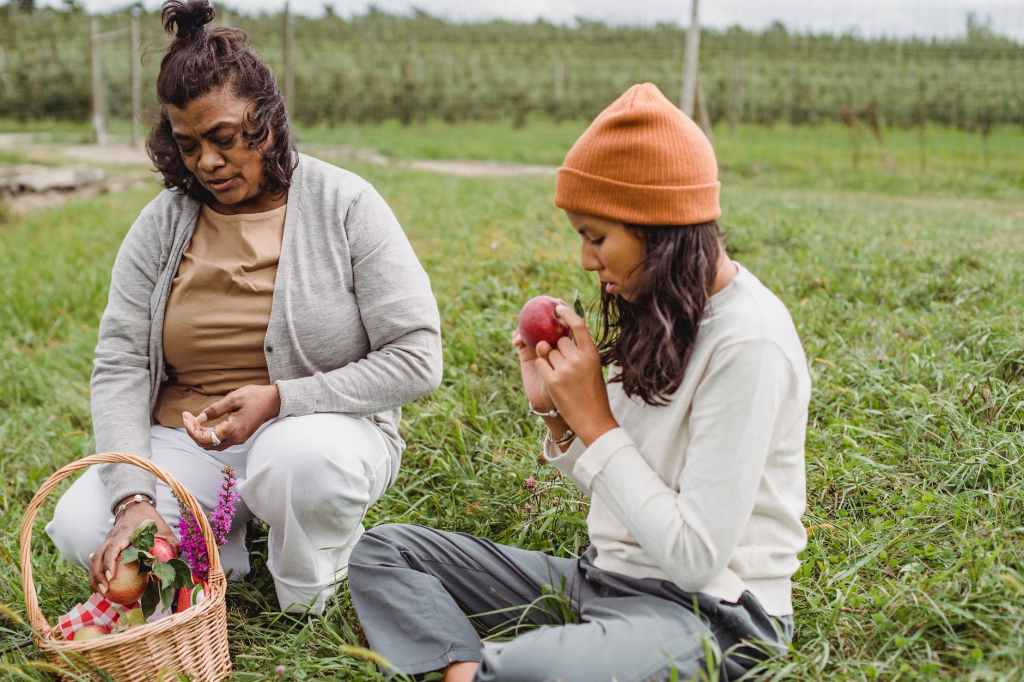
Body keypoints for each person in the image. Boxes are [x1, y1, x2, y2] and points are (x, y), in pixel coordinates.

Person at [347, 82, 810, 681]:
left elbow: (695, 558)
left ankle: (487, 672)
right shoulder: (663, 307)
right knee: (385, 551)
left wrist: (595, 419)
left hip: (712, 616)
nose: (587, 261)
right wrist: (561, 420)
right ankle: (471, 671)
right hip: (603, 581)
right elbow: (624, 487)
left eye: (597, 236)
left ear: (659, 228)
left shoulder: (750, 343)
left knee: (531, 672)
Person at [45, 0, 442, 615]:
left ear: (268, 122)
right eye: (188, 144)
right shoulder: (161, 225)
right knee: (80, 525)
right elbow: (121, 362)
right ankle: (217, 548)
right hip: (188, 439)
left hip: (316, 430)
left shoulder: (346, 204)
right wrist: (133, 499)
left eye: (225, 138)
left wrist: (282, 399)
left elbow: (418, 358)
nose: (206, 161)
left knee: (298, 462)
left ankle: (309, 597)